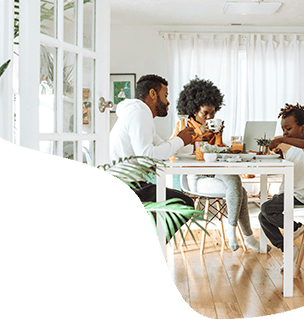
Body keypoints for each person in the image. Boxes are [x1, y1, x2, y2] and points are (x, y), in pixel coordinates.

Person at [171, 77, 266, 252]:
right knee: (240, 191)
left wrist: (220, 136)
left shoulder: (213, 126)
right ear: (193, 110)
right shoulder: (183, 126)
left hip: (215, 172)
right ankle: (243, 236)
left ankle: (239, 234)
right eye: (205, 113)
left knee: (236, 183)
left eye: (213, 113)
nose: (209, 117)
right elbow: (173, 152)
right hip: (196, 177)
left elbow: (216, 151)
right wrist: (200, 131)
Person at [109, 74, 196, 239]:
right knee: (184, 204)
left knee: (177, 199)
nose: (168, 101)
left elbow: (160, 148)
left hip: (130, 183)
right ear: (153, 94)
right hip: (128, 186)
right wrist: (180, 140)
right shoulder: (138, 113)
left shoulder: (139, 113)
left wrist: (180, 139)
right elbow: (148, 155)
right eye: (166, 95)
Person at [258, 103, 304, 264]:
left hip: (300, 194)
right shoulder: (291, 149)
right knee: (262, 216)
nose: (285, 132)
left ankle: (297, 227)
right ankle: (287, 248)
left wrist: (282, 139)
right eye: (283, 129)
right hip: (286, 193)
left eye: (288, 129)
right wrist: (280, 154)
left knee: (266, 209)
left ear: (303, 128)